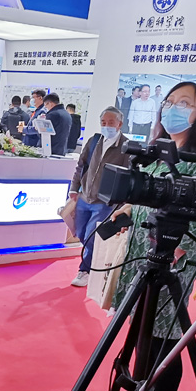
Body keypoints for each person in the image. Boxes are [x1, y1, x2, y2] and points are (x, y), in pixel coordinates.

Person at [110, 81, 196, 391]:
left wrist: (180, 248)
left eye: (184, 103)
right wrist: (128, 207)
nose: (172, 108)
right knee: (141, 330)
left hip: (173, 262)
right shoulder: (159, 150)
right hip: (142, 255)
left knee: (163, 339)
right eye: (169, 101)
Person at [68, 106, 131, 287]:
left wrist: (122, 203)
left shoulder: (126, 146)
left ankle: (85, 271)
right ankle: (95, 263)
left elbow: (129, 175)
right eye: (103, 122)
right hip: (84, 197)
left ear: (119, 124)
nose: (106, 126)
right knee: (80, 233)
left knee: (92, 236)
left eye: (110, 122)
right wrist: (74, 188)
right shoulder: (94, 140)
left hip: (105, 202)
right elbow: (81, 165)